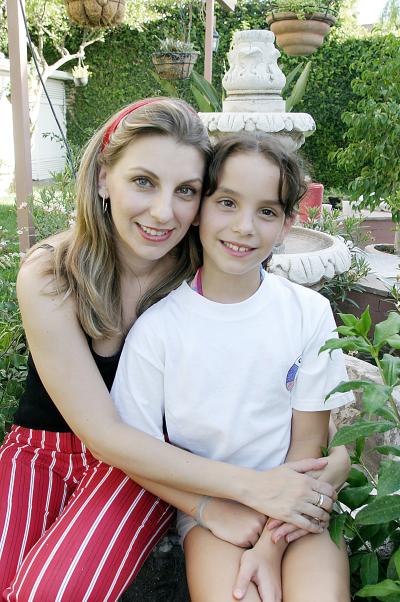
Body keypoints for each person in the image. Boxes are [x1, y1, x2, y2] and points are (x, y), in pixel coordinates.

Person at [0, 98, 347, 602]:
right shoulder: (53, 272)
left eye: (185, 191)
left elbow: (279, 375)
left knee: (54, 592)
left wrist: (331, 458)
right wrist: (230, 497)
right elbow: (101, 432)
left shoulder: (204, 268)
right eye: (143, 181)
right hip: (46, 449)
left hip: (149, 467)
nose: (163, 213)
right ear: (103, 179)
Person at [111, 133, 353, 602]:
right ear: (199, 209)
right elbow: (136, 452)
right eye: (227, 202)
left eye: (266, 211)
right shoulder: (158, 330)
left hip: (297, 510)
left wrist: (269, 544)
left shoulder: (308, 313)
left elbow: (310, 448)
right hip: (218, 513)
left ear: (286, 225)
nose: (244, 226)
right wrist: (206, 509)